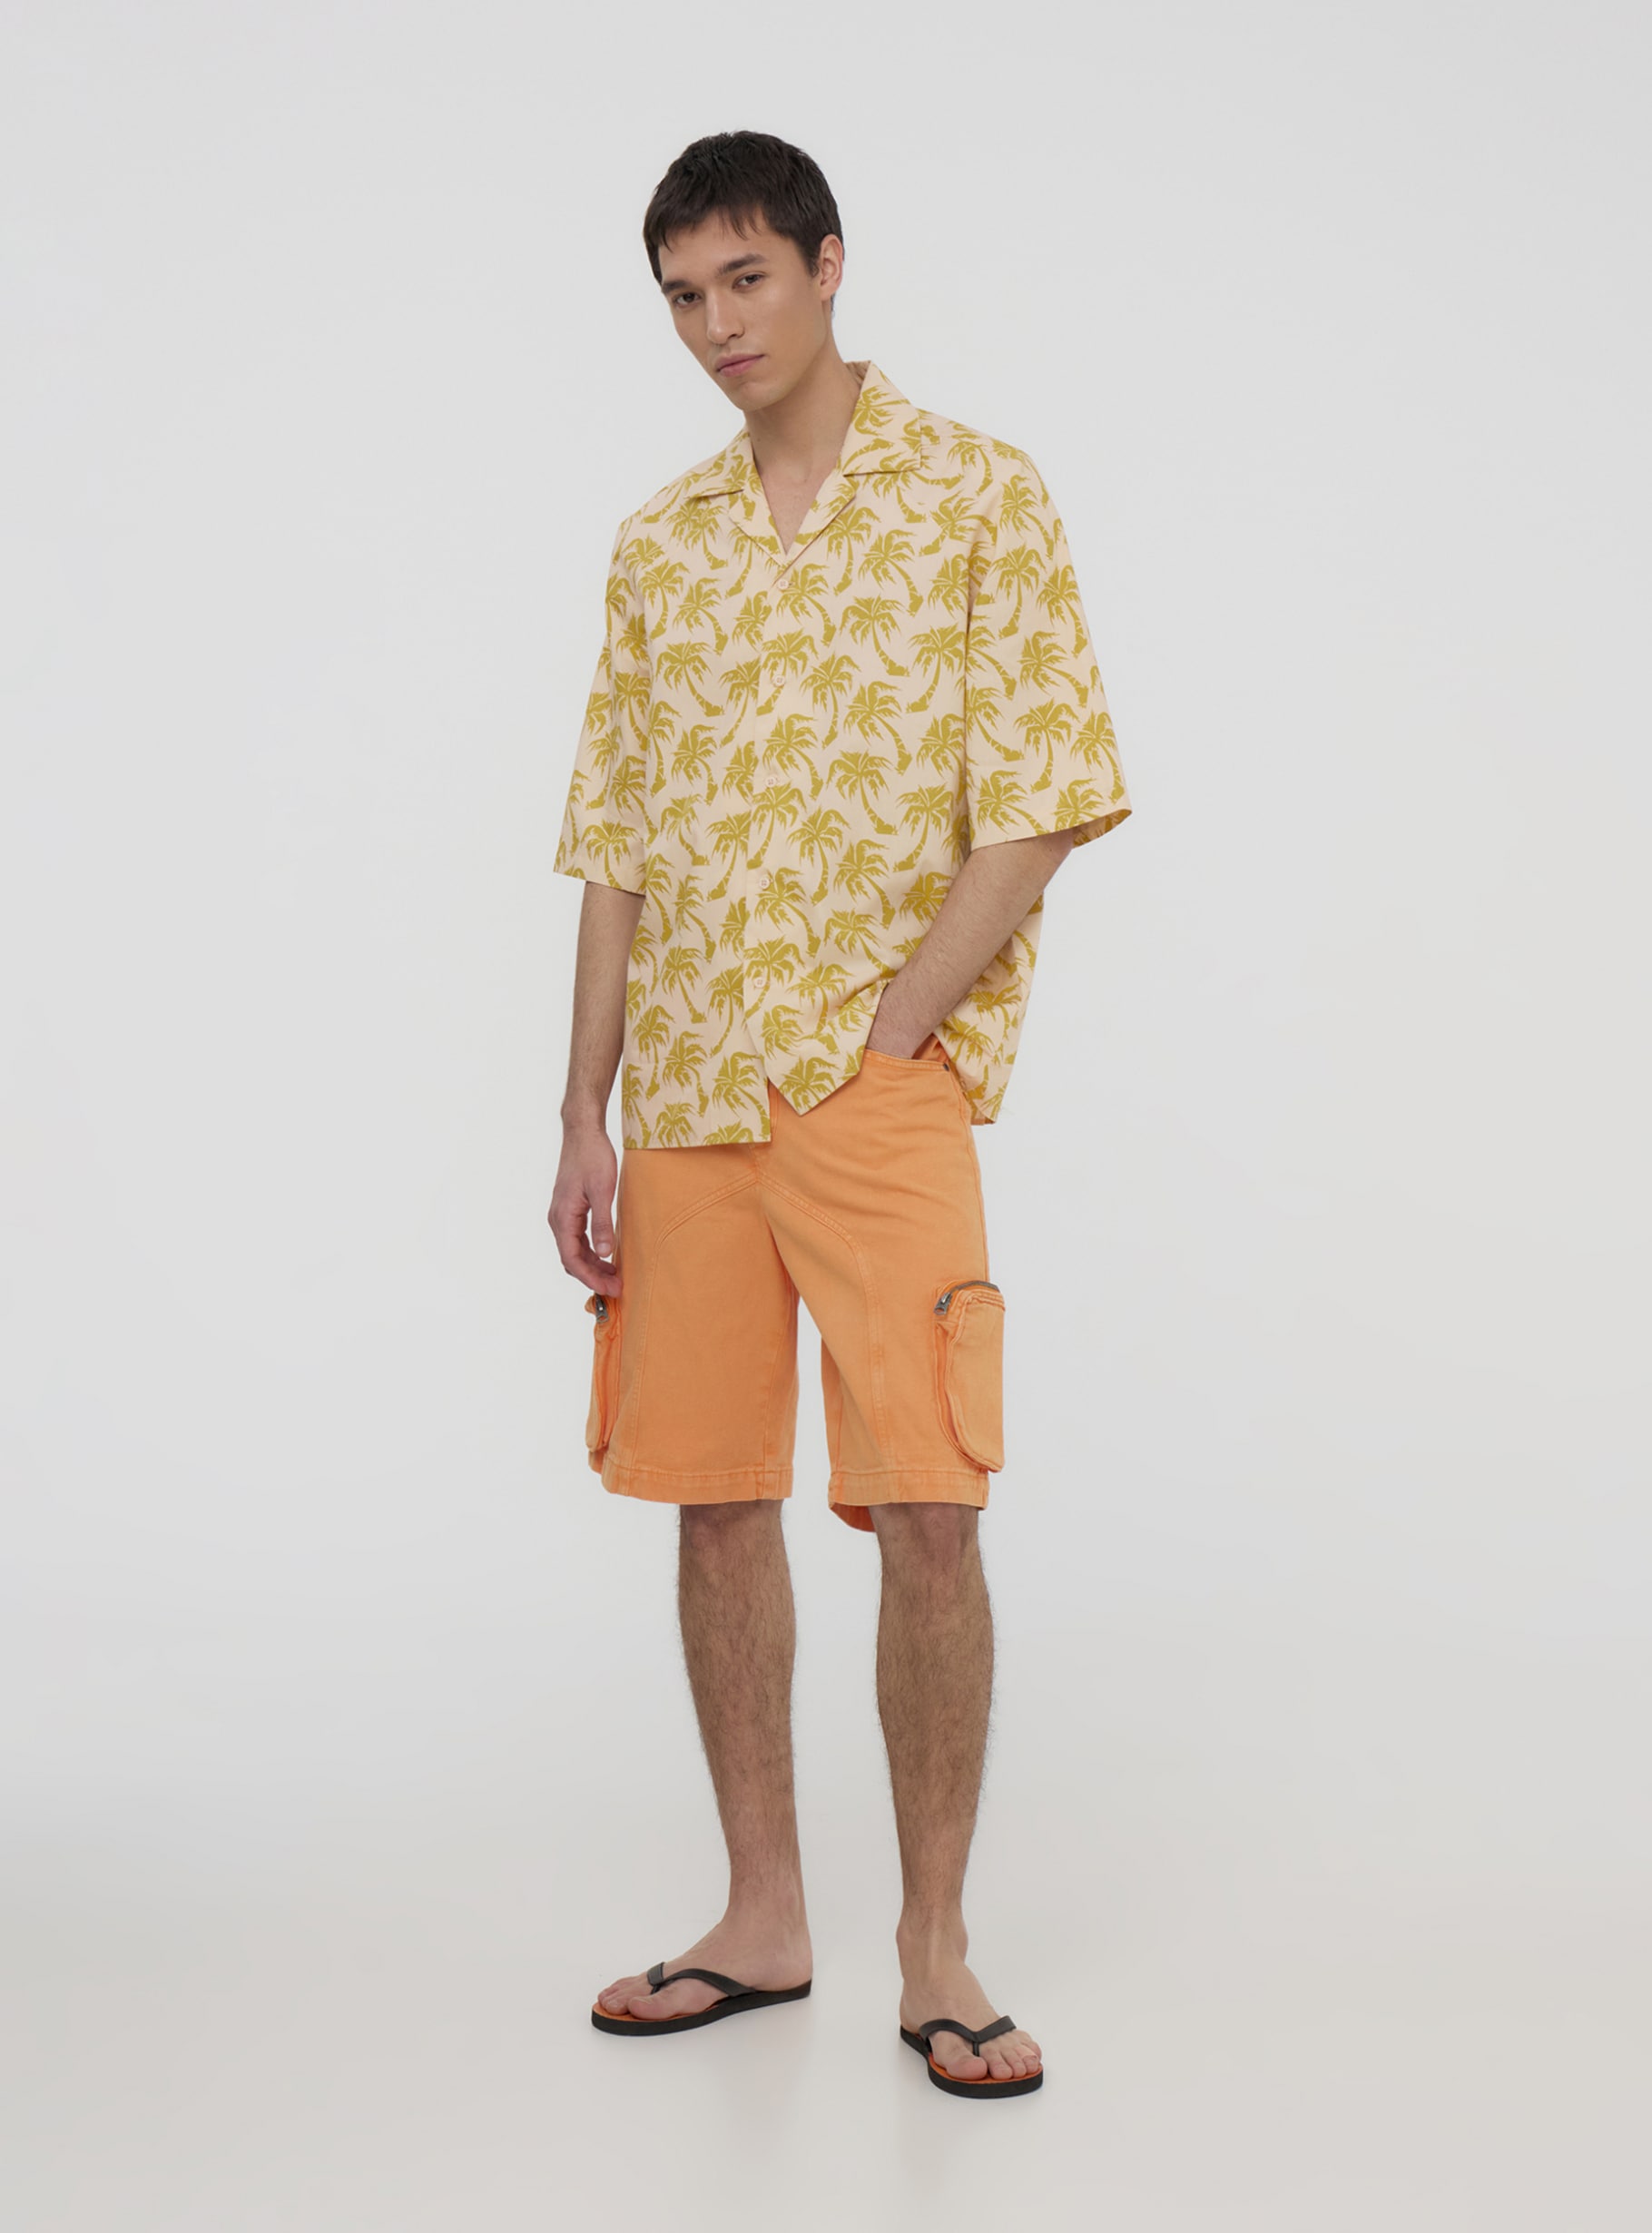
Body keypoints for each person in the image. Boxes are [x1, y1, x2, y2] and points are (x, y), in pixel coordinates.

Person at [547, 129, 1130, 2100]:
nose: (717, 325)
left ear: (826, 265)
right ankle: (763, 1916)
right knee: (715, 1501)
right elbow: (615, 845)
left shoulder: (975, 493)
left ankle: (935, 1948)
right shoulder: (659, 546)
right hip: (686, 1093)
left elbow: (1042, 799)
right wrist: (581, 1112)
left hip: (878, 1092)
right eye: (683, 298)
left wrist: (895, 1033)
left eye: (746, 280)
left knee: (930, 1509)